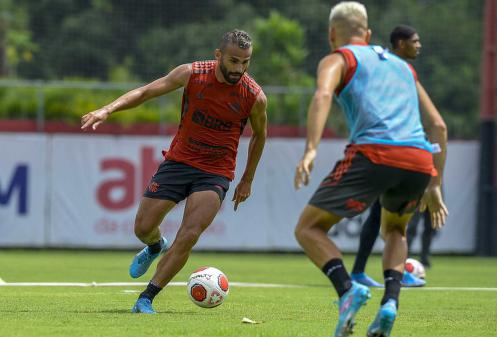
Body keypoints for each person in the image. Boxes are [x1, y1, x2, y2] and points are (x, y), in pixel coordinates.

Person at [80, 29, 267, 314]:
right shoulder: (192, 74)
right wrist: (108, 109)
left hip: (215, 172)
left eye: (245, 62)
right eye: (233, 61)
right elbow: (145, 92)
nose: (239, 69)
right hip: (179, 162)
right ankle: (155, 246)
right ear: (218, 55)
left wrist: (247, 179)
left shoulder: (254, 96)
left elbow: (260, 135)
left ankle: (146, 298)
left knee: (190, 233)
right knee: (142, 228)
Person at [293, 3, 448, 337]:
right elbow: (438, 125)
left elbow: (321, 95)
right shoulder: (403, 67)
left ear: (332, 34)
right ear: (369, 33)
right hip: (419, 161)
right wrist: (435, 185)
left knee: (308, 228)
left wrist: (310, 149)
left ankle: (347, 290)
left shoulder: (338, 58)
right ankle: (390, 304)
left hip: (374, 154)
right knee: (395, 231)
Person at [350, 25, 444, 288]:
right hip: (392, 148)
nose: (419, 45)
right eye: (415, 41)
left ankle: (360, 271)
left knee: (379, 212)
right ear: (400, 44)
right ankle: (392, 274)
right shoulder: (394, 71)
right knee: (394, 218)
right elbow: (438, 125)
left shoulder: (398, 70)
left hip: (389, 147)